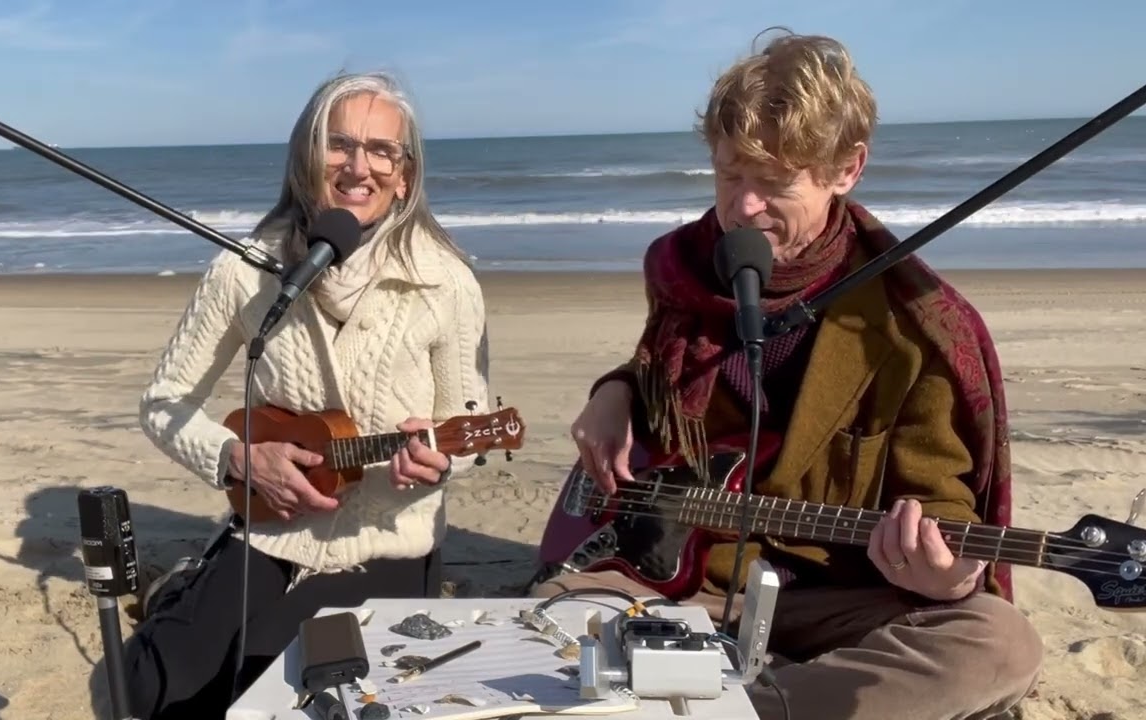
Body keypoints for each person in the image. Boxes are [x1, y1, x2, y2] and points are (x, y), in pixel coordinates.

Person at [534, 29, 1044, 720]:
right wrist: (615, 391)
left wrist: (949, 574)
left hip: (834, 597)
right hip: (682, 584)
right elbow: (664, 381)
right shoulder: (682, 267)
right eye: (729, 176)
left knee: (998, 643)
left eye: (773, 183)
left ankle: (746, 710)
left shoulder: (915, 324)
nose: (742, 207)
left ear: (847, 169)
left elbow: (944, 503)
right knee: (538, 623)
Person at [125, 71, 490, 719]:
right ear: (305, 157)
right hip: (269, 532)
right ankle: (183, 585)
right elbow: (164, 401)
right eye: (339, 144)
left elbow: (473, 419)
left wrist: (441, 458)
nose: (359, 166)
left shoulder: (447, 282)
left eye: (383, 150)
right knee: (153, 687)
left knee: (283, 686)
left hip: (388, 539)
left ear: (405, 176)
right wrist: (236, 458)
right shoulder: (244, 270)